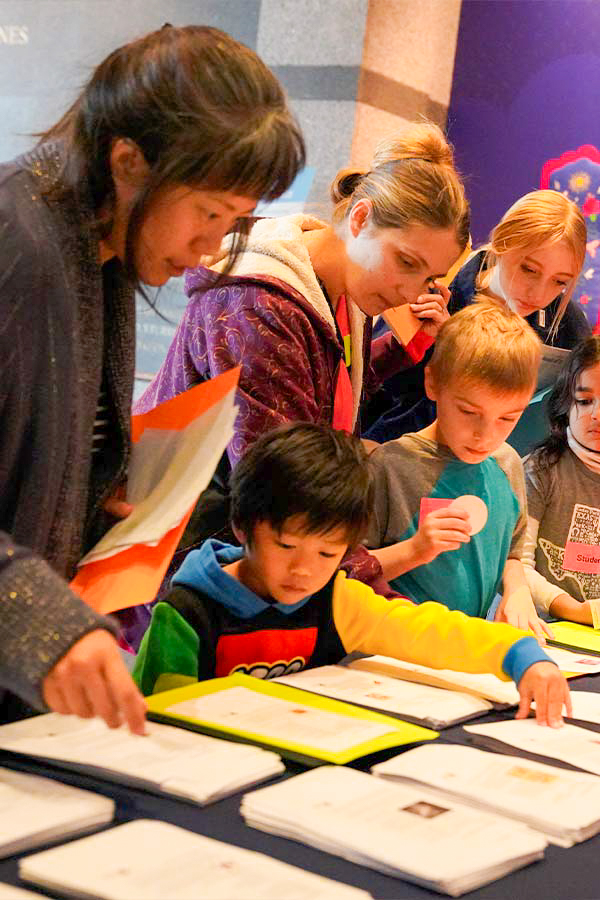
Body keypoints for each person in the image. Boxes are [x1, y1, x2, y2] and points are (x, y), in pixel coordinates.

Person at [0, 24, 305, 728]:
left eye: (233, 222)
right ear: (130, 162)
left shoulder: (96, 255)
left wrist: (86, 501)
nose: (208, 250)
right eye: (208, 213)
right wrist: (40, 618)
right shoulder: (20, 241)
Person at [133, 423, 570, 727]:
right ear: (243, 526)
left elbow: (424, 631)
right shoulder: (188, 613)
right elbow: (157, 724)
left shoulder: (334, 599)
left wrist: (518, 653)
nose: (304, 571)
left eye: (327, 553)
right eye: (286, 546)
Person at [364, 298, 551, 642]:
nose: (485, 435)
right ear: (433, 383)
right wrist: (415, 550)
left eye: (508, 418)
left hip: (466, 652)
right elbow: (346, 571)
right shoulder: (390, 466)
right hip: (393, 648)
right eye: (468, 412)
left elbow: (511, 551)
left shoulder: (507, 463)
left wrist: (517, 589)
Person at [365, 189, 590, 443]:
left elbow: (566, 419)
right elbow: (374, 385)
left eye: (560, 281)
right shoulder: (437, 289)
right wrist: (442, 346)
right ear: (502, 243)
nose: (538, 293)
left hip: (502, 469)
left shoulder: (568, 326)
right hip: (397, 452)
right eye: (529, 269)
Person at [523, 336, 600, 625]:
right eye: (584, 401)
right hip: (547, 629)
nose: (597, 415)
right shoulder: (540, 469)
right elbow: (516, 567)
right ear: (565, 405)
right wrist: (576, 611)